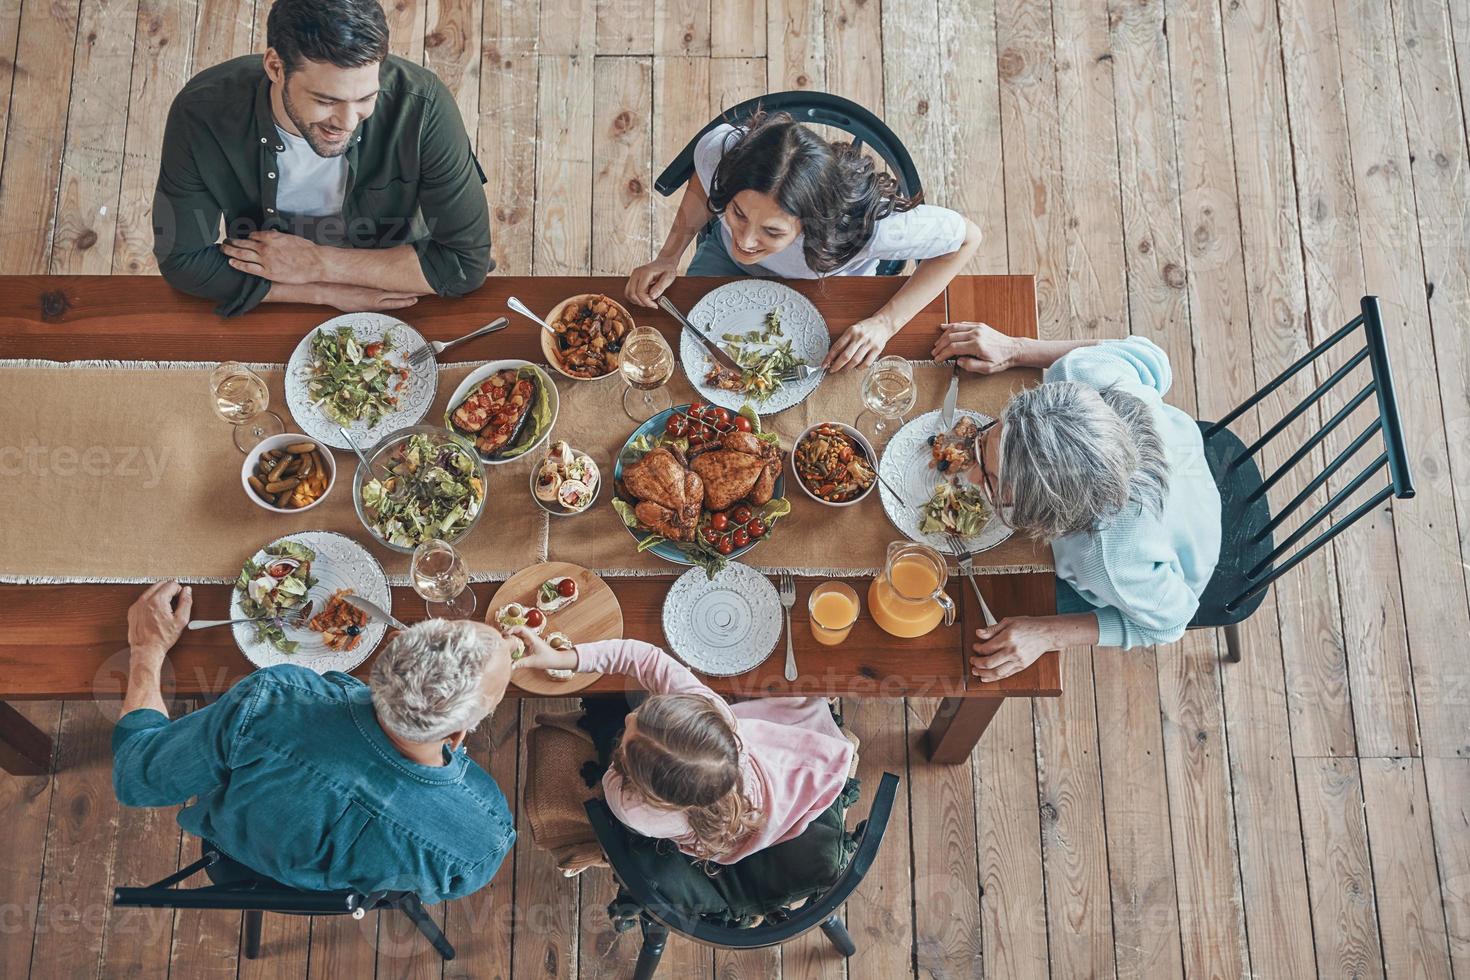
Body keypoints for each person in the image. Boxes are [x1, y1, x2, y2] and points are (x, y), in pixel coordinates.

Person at [112, 581, 516, 903]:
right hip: (339, 892)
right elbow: (436, 884)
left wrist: (147, 650)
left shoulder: (273, 699)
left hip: (234, 856)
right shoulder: (485, 835)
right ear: (457, 736)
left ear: (389, 650)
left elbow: (135, 776)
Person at [152, 0, 491, 317]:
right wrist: (323, 292)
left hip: (394, 281)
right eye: (326, 100)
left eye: (365, 98)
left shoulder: (423, 105)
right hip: (274, 279)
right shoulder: (202, 112)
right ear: (275, 67)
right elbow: (183, 260)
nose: (347, 122)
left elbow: (464, 264)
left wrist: (320, 265)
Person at [930, 325, 1222, 679]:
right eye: (988, 439)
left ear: (1048, 517)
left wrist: (1047, 634)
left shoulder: (1110, 562)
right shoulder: (1080, 372)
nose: (971, 477)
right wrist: (1016, 349)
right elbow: (1154, 358)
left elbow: (1170, 624)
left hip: (1185, 553)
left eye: (990, 482)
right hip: (1188, 456)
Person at [625, 110, 983, 371]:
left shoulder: (870, 226)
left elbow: (968, 239)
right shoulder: (720, 151)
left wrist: (885, 323)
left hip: (827, 289)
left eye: (773, 230)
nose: (746, 242)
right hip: (723, 263)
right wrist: (668, 256)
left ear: (812, 222)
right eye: (739, 213)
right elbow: (704, 182)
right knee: (678, 356)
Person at [513, 632, 854, 865]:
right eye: (642, 715)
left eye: (627, 741)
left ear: (646, 788)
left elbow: (609, 782)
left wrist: (616, 769)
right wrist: (564, 657)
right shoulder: (712, 712)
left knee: (609, 711)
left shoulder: (632, 807)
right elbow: (643, 657)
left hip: (730, 825)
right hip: (771, 780)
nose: (629, 719)